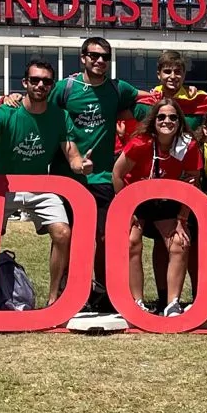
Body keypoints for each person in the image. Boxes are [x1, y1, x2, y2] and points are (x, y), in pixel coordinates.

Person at [54, 37, 146, 319]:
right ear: (82, 57)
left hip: (103, 177)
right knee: (71, 237)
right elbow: (41, 109)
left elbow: (146, 98)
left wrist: (175, 92)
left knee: (106, 238)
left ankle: (104, 291)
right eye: (94, 56)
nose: (100, 61)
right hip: (67, 177)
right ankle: (68, 293)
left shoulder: (118, 89)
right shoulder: (65, 88)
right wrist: (12, 99)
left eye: (105, 56)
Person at [0, 61, 79, 302]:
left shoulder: (60, 116)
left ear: (52, 85)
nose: (40, 85)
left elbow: (72, 155)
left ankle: (54, 299)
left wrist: (81, 165)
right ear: (25, 83)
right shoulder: (6, 111)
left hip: (39, 184)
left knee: (63, 233)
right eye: (35, 80)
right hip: (1, 185)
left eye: (46, 81)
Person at [113, 100, 202, 316]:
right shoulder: (141, 143)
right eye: (162, 117)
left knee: (180, 243)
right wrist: (128, 210)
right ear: (154, 121)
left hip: (165, 200)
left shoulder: (187, 146)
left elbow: (194, 180)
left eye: (173, 117)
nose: (167, 121)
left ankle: (172, 303)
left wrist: (182, 218)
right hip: (137, 199)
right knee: (131, 241)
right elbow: (117, 174)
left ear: (180, 122)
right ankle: (137, 302)